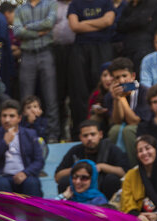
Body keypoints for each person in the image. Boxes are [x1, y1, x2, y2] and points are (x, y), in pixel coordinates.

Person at [67, 0, 115, 140]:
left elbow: (108, 21)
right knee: (79, 92)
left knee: (102, 88)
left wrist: (84, 24)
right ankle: (81, 133)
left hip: (102, 47)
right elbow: (74, 26)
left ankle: (102, 132)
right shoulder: (75, 4)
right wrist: (98, 23)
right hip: (80, 50)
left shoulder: (106, 2)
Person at [13, 0, 60, 142]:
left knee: (51, 96)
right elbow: (17, 31)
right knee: (25, 97)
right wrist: (40, 32)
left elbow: (49, 23)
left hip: (46, 52)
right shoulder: (20, 9)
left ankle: (53, 135)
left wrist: (28, 28)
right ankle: (25, 132)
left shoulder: (51, 4)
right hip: (27, 55)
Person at [55, 119, 129, 199]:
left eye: (93, 134)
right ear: (80, 137)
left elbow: (124, 173)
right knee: (64, 181)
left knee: (112, 180)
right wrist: (77, 169)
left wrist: (102, 167)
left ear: (100, 134)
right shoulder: (75, 150)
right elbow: (58, 177)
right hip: (79, 194)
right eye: (85, 135)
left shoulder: (111, 149)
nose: (89, 138)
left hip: (104, 192)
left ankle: (109, 209)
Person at [0, 99, 44, 196]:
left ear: (19, 118)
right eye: (4, 116)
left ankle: (33, 211)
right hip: (2, 176)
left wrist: (25, 173)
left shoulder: (30, 134)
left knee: (32, 183)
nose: (7, 120)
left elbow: (39, 160)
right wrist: (4, 143)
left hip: (25, 175)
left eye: (11, 116)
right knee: (2, 184)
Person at [103, 57, 152, 166]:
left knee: (129, 130)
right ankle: (117, 166)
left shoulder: (144, 92)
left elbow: (135, 121)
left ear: (133, 76)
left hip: (145, 128)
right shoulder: (110, 96)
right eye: (117, 77)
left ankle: (135, 167)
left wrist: (122, 98)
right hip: (123, 127)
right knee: (114, 130)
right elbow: (117, 121)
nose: (121, 81)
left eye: (124, 76)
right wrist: (116, 99)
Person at [52, 0, 75, 141]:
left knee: (76, 93)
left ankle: (76, 131)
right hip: (54, 52)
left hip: (75, 51)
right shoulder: (50, 5)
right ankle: (58, 133)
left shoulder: (78, 4)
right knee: (57, 94)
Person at [116, 0, 157, 73]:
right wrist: (136, 20)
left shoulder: (151, 3)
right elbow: (119, 26)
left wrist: (128, 22)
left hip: (144, 46)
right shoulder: (128, 6)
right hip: (128, 47)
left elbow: (142, 21)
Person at [88, 62, 114, 133]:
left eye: (111, 75)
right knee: (94, 118)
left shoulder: (122, 91)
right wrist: (95, 110)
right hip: (102, 123)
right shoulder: (96, 94)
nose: (107, 79)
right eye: (104, 75)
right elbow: (89, 113)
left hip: (116, 122)